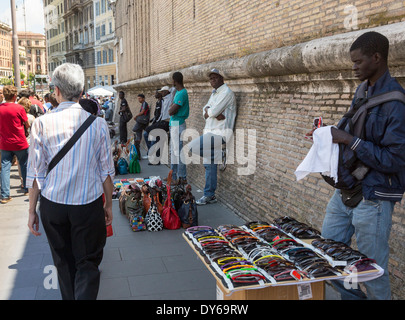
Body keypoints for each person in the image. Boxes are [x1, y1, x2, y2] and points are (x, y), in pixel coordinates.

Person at [312, 32, 405, 300]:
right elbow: (351, 130)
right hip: (347, 188)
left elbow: (394, 159)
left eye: (357, 62)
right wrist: (326, 134)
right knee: (328, 257)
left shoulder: (396, 102)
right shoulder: (363, 89)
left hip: (374, 197)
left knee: (372, 271)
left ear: (376, 58)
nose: (353, 67)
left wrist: (349, 140)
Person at [26, 63, 115, 300]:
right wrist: (108, 205)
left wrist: (31, 210)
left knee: (63, 263)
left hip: (53, 205)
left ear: (55, 90)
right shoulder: (97, 124)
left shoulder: (41, 124)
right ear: (82, 90)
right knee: (87, 263)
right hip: (87, 204)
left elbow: (36, 173)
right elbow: (106, 172)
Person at [188, 69, 237, 205]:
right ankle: (209, 195)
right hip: (210, 132)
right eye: (211, 78)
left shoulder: (226, 93)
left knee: (192, 146)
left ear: (222, 78)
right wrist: (210, 112)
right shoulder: (214, 93)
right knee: (210, 166)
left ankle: (220, 153)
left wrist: (211, 112)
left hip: (220, 134)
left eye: (215, 77)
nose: (212, 80)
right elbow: (206, 110)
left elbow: (213, 111)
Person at [0, 85, 30, 204]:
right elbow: (26, 124)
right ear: (14, 96)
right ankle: (27, 189)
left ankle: (5, 195)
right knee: (24, 165)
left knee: (5, 168)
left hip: (5, 143)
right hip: (19, 142)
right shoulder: (19, 108)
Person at [169, 72, 189, 185]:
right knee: (174, 151)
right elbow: (172, 107)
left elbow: (171, 110)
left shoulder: (181, 93)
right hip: (175, 123)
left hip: (178, 123)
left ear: (174, 80)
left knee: (177, 152)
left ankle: (180, 177)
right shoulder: (177, 92)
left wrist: (171, 109)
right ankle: (175, 176)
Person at [132, 93, 150, 159]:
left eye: (140, 98)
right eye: (138, 98)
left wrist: (136, 116)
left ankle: (137, 142)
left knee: (134, 129)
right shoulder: (143, 104)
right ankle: (137, 144)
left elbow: (142, 112)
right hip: (142, 121)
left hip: (143, 120)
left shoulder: (145, 103)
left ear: (143, 98)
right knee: (138, 134)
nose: (139, 100)